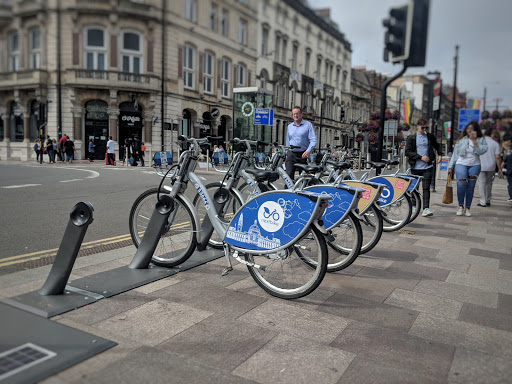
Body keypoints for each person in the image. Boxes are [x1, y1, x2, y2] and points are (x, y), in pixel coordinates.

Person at [448, 121, 488, 217]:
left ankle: (468, 207)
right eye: (468, 128)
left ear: (476, 130)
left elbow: (482, 151)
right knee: (461, 184)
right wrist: (450, 166)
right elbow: (455, 154)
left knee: (471, 187)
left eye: (472, 129)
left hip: (475, 165)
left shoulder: (481, 140)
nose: (470, 130)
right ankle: (460, 206)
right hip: (461, 163)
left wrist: (474, 141)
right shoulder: (461, 140)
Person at [405, 118, 443, 217]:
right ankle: (413, 206)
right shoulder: (411, 138)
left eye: (426, 127)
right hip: (415, 167)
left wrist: (440, 155)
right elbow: (407, 152)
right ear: (417, 127)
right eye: (423, 127)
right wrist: (420, 157)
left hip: (427, 167)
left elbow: (437, 145)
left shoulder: (430, 137)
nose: (424, 129)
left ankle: (426, 208)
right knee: (414, 188)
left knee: (426, 188)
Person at [285, 106, 317, 180]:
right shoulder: (289, 126)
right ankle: (289, 191)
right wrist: (286, 155)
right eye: (294, 114)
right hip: (291, 154)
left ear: (301, 114)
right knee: (288, 177)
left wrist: (308, 151)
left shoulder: (308, 125)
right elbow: (288, 141)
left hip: (302, 155)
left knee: (304, 178)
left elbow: (313, 140)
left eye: (297, 114)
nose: (295, 116)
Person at [477, 130, 503, 207]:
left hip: (481, 165)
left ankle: (482, 202)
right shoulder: (495, 144)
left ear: (484, 134)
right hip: (492, 166)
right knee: (489, 183)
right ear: (491, 134)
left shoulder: (479, 142)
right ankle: (488, 200)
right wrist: (500, 168)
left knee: (481, 183)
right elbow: (497, 157)